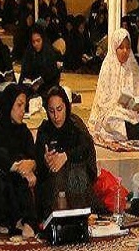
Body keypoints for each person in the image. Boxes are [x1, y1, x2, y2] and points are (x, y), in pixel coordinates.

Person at [0, 84, 37, 237]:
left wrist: (31, 166)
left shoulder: (24, 132)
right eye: (19, 105)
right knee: (2, 175)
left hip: (17, 183)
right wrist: (18, 167)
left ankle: (24, 221)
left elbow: (32, 156)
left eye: (24, 106)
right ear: (9, 104)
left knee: (23, 181)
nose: (23, 110)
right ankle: (13, 220)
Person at [35, 86, 99, 220]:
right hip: (52, 186)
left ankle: (79, 215)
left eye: (59, 109)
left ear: (66, 107)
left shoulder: (75, 126)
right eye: (51, 111)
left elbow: (86, 150)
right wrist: (46, 160)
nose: (56, 116)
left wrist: (66, 156)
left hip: (77, 184)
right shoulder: (45, 130)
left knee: (75, 172)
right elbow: (38, 164)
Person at [88, 28, 139, 143]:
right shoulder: (108, 66)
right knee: (112, 119)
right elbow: (103, 100)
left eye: (128, 48)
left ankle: (133, 130)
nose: (125, 51)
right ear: (114, 48)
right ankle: (132, 131)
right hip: (114, 111)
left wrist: (138, 106)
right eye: (121, 47)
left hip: (132, 112)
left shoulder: (132, 67)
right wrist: (119, 103)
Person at [19, 25, 61, 97]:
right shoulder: (29, 52)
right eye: (33, 42)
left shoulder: (49, 53)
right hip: (30, 87)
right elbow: (24, 73)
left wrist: (40, 83)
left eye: (38, 41)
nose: (36, 44)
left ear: (43, 40)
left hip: (46, 88)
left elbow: (53, 76)